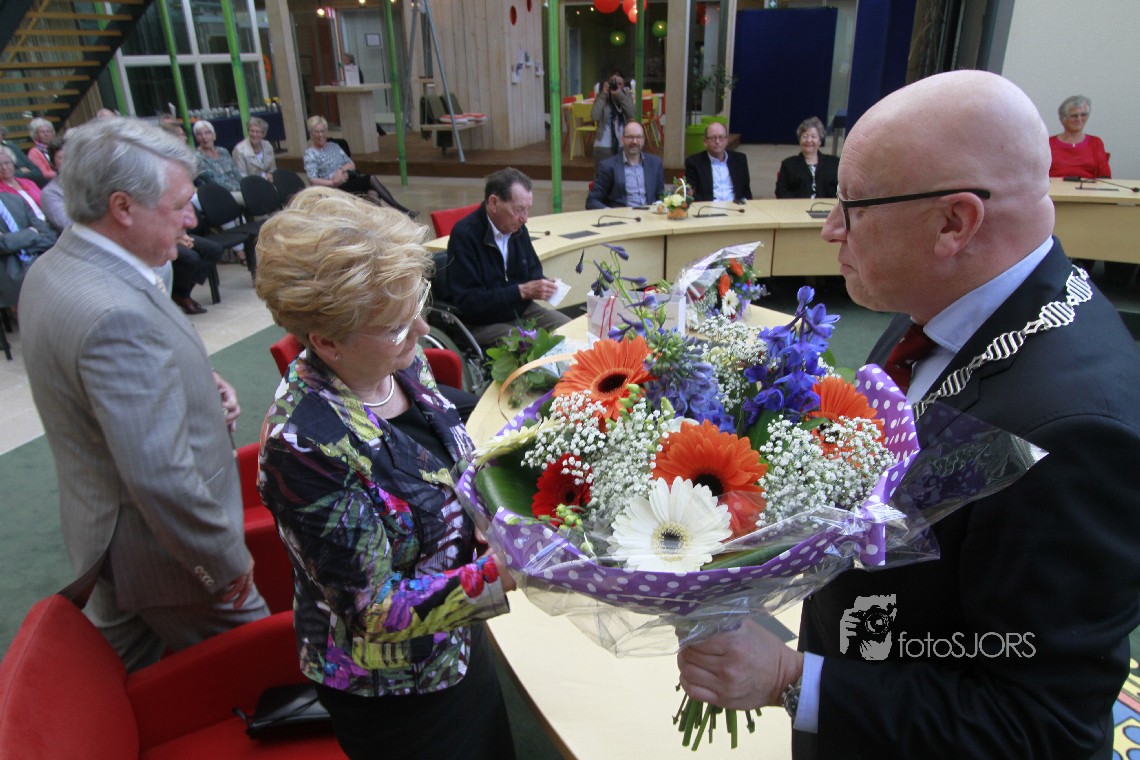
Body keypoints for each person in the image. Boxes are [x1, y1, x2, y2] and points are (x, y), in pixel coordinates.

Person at [676, 70, 1140, 758]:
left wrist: (791, 680)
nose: (830, 229)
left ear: (954, 223)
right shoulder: (945, 301)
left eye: (853, 206)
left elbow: (1042, 727)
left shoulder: (1076, 432)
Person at [254, 187, 516, 759]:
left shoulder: (395, 357)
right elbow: (374, 610)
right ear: (326, 341)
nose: (421, 330)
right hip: (398, 690)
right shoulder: (304, 447)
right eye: (398, 325)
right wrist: (509, 569)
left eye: (417, 304)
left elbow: (436, 444)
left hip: (457, 638)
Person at [19, 117, 269, 672]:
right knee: (267, 673)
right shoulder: (113, 313)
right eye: (178, 205)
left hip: (111, 531)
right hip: (167, 554)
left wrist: (198, 382)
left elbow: (101, 383)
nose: (192, 218)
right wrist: (222, 561)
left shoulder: (61, 266)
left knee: (120, 672)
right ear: (122, 207)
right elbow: (160, 475)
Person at [447, 167, 570, 347]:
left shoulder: (518, 230)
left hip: (521, 311)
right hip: (482, 323)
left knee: (570, 330)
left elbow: (533, 272)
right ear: (494, 203)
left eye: (527, 210)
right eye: (519, 210)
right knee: (532, 346)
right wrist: (521, 291)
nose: (525, 219)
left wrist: (544, 284)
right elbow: (470, 302)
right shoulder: (465, 235)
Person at [302, 115, 416, 217]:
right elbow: (312, 180)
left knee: (373, 192)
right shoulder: (310, 153)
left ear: (326, 132)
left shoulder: (334, 146)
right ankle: (398, 209)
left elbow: (351, 164)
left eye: (323, 131)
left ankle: (381, 219)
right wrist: (333, 182)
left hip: (347, 180)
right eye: (316, 132)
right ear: (311, 134)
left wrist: (341, 170)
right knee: (370, 178)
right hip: (333, 187)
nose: (320, 135)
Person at [585, 121, 665, 210]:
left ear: (643, 140)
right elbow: (592, 201)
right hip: (622, 217)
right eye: (630, 137)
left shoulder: (655, 164)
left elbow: (661, 197)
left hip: (649, 216)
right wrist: (610, 212)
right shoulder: (608, 166)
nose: (634, 141)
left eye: (638, 137)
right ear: (622, 139)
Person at [0, 192, 57, 309]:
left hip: (40, 263)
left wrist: (14, 242)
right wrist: (31, 233)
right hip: (10, 277)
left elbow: (50, 237)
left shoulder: (16, 200)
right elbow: (2, 245)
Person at [684, 121, 752, 202]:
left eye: (721, 137)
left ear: (726, 140)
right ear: (705, 142)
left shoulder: (740, 160)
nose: (717, 141)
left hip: (736, 206)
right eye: (713, 138)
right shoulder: (694, 163)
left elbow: (746, 192)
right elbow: (691, 194)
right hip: (708, 207)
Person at [1048, 95, 1112, 179]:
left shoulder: (1096, 143)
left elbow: (1105, 176)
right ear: (1063, 119)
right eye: (1074, 116)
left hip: (1087, 187)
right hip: (1055, 187)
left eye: (1083, 115)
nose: (1079, 119)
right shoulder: (1048, 143)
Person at [775, 117, 839, 199]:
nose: (809, 140)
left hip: (827, 206)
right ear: (800, 140)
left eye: (813, 136)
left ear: (820, 141)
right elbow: (781, 192)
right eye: (805, 136)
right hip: (797, 206)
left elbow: (842, 191)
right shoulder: (788, 164)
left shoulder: (834, 163)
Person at [590, 69, 637, 164]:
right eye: (614, 83)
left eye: (620, 84)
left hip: (622, 145)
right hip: (603, 145)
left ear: (623, 85)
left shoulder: (626, 96)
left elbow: (632, 113)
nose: (617, 86)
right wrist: (603, 95)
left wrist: (620, 95)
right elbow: (594, 116)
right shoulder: (602, 97)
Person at [192, 120, 243, 193]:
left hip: (239, 189)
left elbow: (236, 172)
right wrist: (238, 189)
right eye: (199, 134)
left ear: (214, 135)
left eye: (207, 133)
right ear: (196, 138)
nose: (204, 137)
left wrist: (244, 186)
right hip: (221, 193)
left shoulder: (223, 151)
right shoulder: (197, 158)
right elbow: (213, 182)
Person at [0, 148, 46, 220]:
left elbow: (45, 202)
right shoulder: (1, 191)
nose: (4, 167)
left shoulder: (28, 182)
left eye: (6, 163)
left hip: (47, 218)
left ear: (13, 163)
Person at [39, 138, 68, 231]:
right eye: (62, 158)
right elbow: (67, 224)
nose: (69, 161)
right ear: (53, 164)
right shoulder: (50, 193)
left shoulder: (92, 182)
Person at [26, 118, 57, 182]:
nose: (46, 134)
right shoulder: (34, 152)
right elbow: (43, 173)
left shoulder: (58, 146)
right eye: (42, 132)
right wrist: (63, 174)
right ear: (36, 135)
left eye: (48, 131)